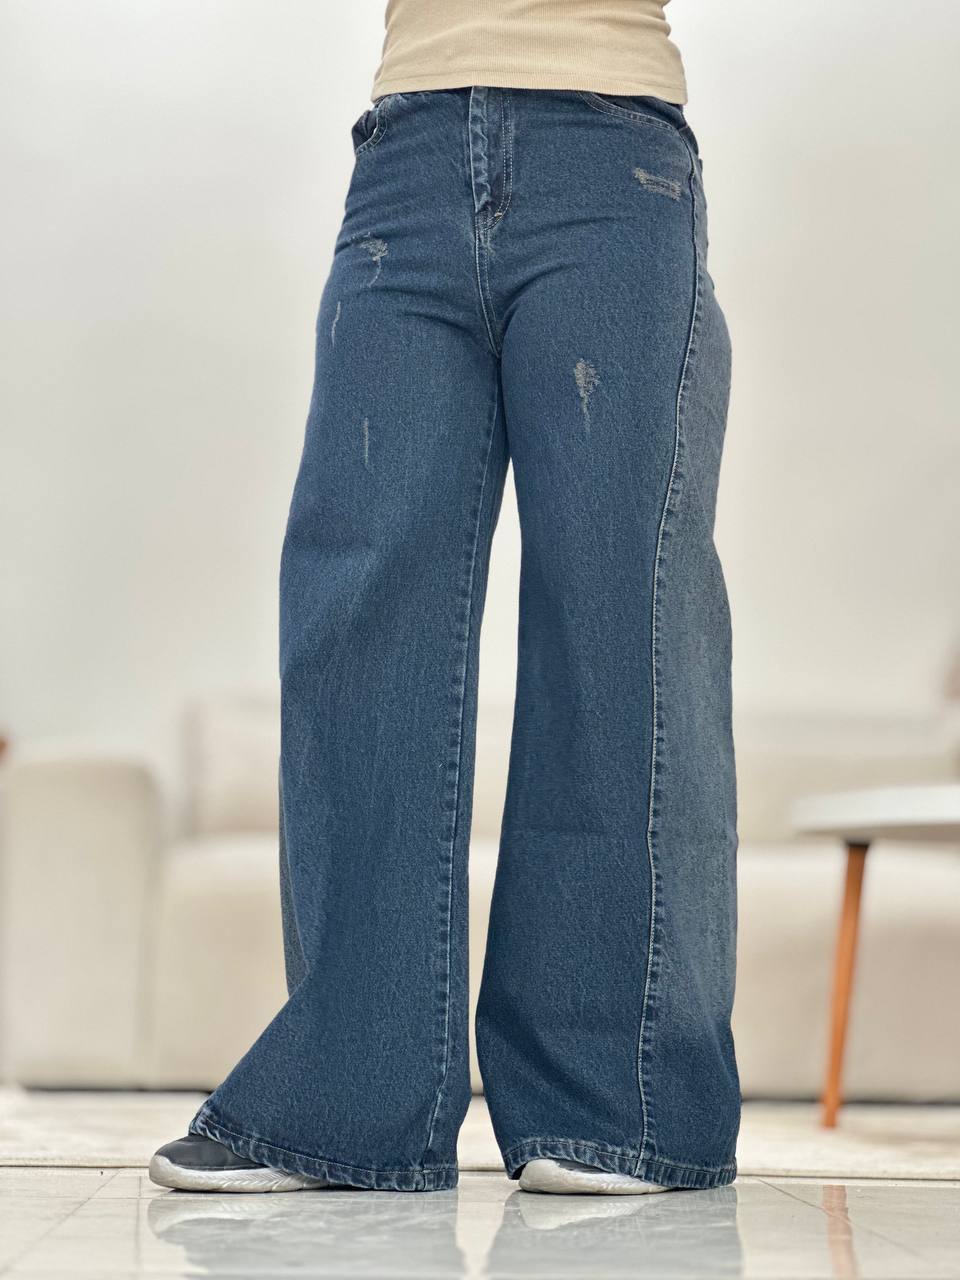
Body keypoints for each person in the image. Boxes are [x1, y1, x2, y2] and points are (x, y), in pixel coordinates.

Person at [150, 0, 740, 1196]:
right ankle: (347, 1098)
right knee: (357, 615)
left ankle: (619, 1102)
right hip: (406, 157)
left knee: (617, 620)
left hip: (611, 150)